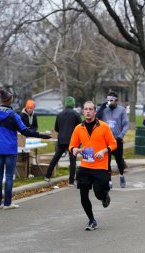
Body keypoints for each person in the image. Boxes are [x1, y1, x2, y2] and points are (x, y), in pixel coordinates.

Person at [0, 90, 51, 210]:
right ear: (11, 101)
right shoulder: (14, 115)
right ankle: (7, 203)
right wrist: (41, 135)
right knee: (9, 176)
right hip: (11, 150)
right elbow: (25, 131)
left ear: (1, 100)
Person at [69, 101, 117, 231]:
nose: (88, 111)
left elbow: (113, 144)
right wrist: (74, 150)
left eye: (90, 109)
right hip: (85, 166)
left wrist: (104, 151)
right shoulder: (79, 128)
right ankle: (91, 220)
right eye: (86, 109)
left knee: (98, 193)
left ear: (95, 112)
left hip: (100, 166)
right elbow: (72, 145)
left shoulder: (103, 126)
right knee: (83, 195)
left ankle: (104, 196)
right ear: (83, 112)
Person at [45, 96, 82, 185]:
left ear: (65, 104)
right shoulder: (76, 114)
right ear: (73, 104)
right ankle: (71, 181)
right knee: (72, 160)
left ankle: (47, 176)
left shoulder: (59, 114)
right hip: (72, 141)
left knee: (55, 158)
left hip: (61, 140)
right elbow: (81, 128)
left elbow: (56, 128)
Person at [96, 91, 129, 188]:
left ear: (116, 100)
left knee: (119, 161)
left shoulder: (121, 110)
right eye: (108, 100)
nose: (109, 102)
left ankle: (121, 175)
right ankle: (109, 180)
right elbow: (96, 119)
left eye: (111, 100)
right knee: (107, 162)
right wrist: (102, 107)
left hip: (117, 140)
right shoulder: (104, 110)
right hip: (106, 141)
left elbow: (126, 124)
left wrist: (121, 136)